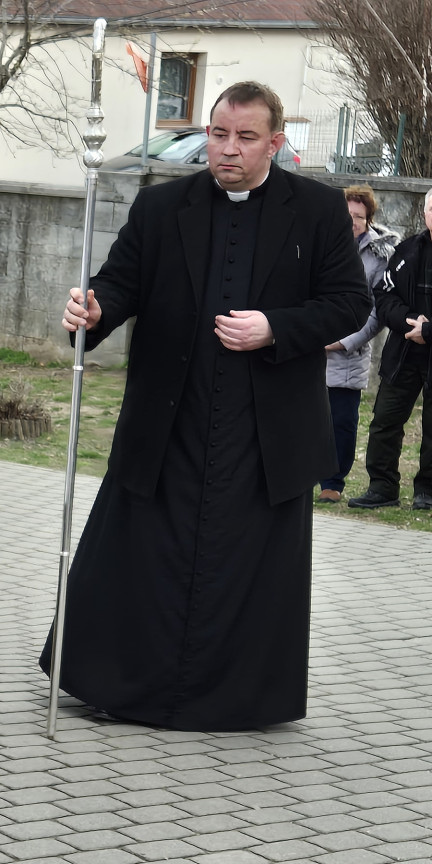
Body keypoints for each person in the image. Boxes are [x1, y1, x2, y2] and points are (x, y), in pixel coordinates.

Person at [51, 81, 369, 731]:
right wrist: (94, 309)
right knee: (144, 556)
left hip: (263, 430)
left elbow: (348, 303)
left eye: (245, 138)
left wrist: (274, 326)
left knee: (246, 568)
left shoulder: (315, 210)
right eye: (218, 134)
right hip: (172, 416)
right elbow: (119, 282)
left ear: (276, 144)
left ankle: (235, 699)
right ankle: (122, 684)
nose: (227, 149)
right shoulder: (162, 206)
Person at [347, 189, 432, 511]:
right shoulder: (407, 250)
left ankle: (427, 492)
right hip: (404, 354)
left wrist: (428, 330)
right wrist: (412, 323)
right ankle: (383, 488)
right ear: (425, 213)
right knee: (384, 421)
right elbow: (384, 297)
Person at [322, 185, 396, 503]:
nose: (352, 221)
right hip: (312, 346)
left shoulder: (380, 256)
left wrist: (343, 341)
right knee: (306, 419)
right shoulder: (321, 244)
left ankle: (333, 483)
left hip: (348, 352)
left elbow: (377, 312)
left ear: (368, 220)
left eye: (359, 216)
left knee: (341, 422)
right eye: (347, 214)